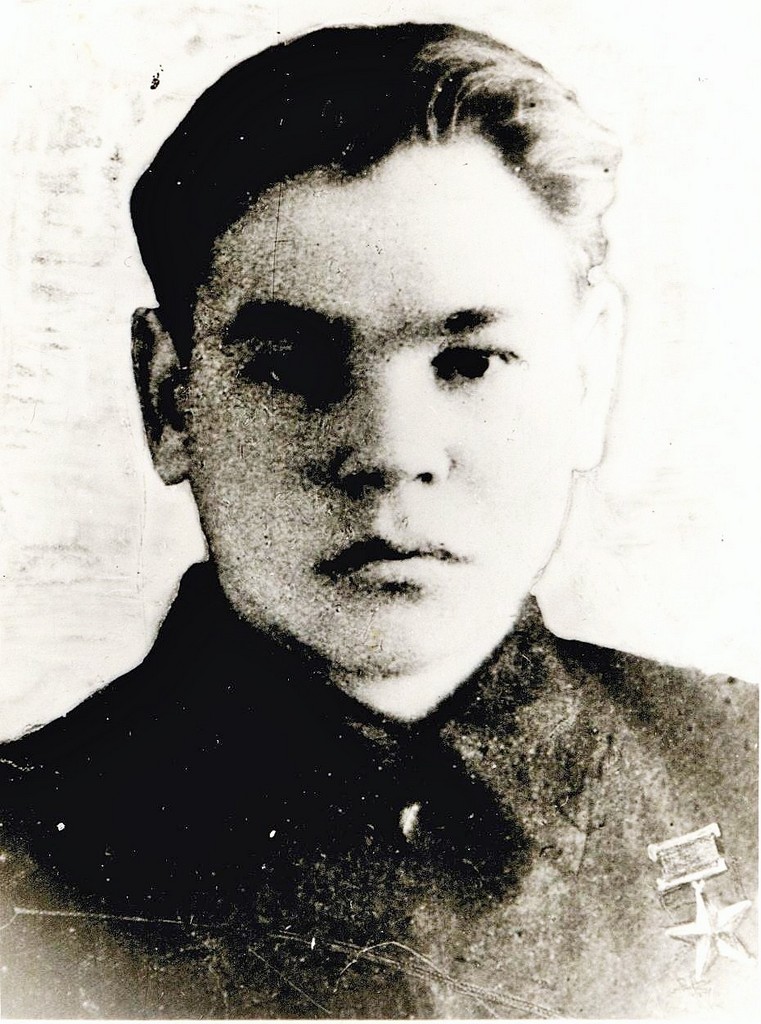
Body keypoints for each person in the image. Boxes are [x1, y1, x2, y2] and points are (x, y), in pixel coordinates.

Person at [0, 22, 756, 1019]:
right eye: (289, 366)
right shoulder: (21, 861)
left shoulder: (739, 777)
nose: (391, 453)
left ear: (587, 374)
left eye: (469, 362)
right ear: (170, 399)